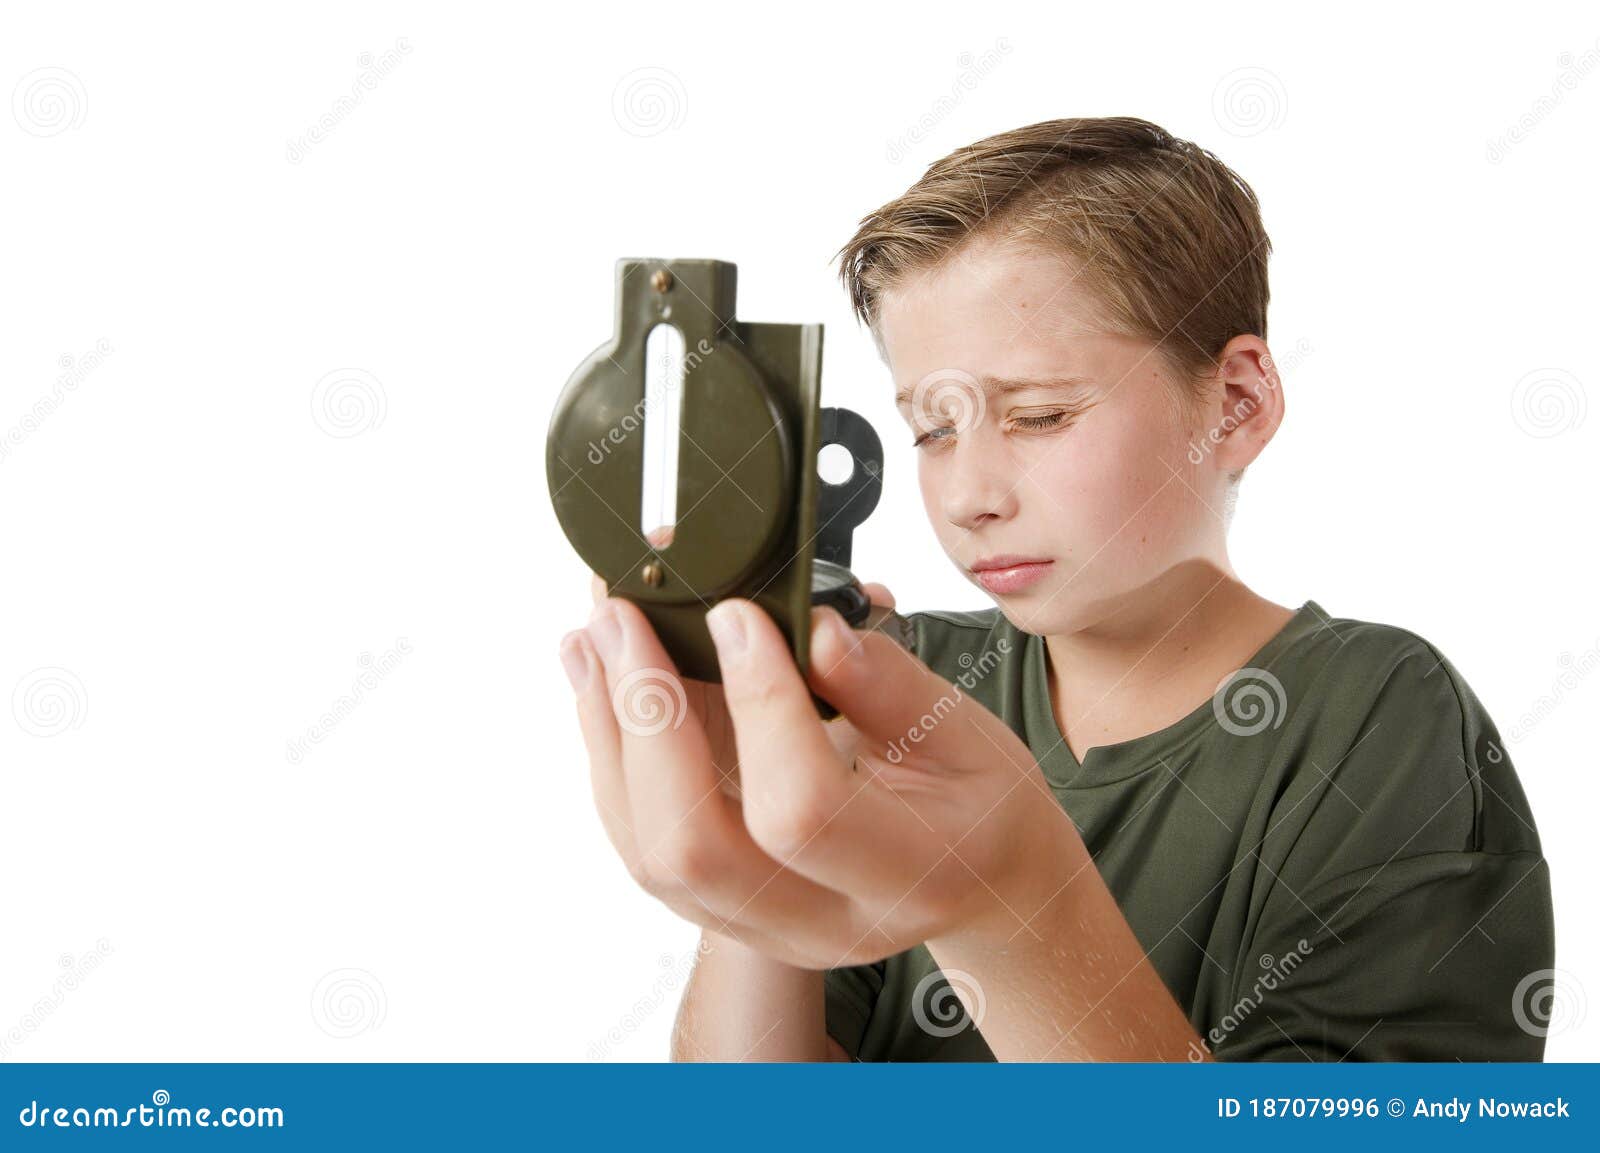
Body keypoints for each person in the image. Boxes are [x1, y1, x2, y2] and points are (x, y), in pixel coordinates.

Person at [558, 116, 1554, 1061]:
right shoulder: (897, 685)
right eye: (932, 429)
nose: (968, 494)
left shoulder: (1376, 717)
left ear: (1238, 403)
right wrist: (755, 860)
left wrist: (1008, 899)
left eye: (1037, 415)